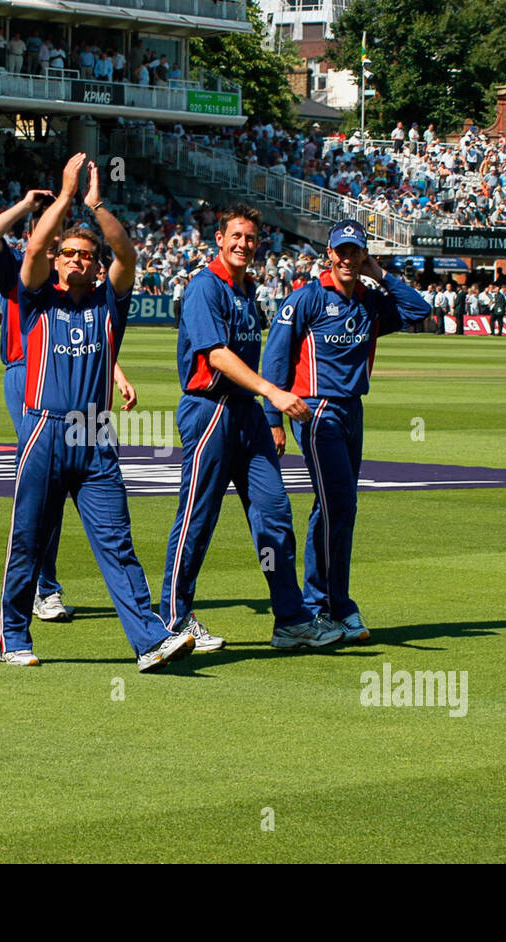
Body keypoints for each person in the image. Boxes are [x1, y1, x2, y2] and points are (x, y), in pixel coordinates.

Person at [0, 153, 194, 671]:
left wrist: (96, 205)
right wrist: (63, 198)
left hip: (95, 434)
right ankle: (13, 636)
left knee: (117, 541)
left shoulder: (110, 302)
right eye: (69, 253)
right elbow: (34, 246)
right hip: (45, 427)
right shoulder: (38, 298)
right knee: (28, 538)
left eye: (86, 255)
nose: (77, 260)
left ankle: (149, 640)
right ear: (57, 262)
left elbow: (128, 255)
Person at [159, 204, 341, 653]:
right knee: (197, 519)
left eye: (251, 238)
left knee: (274, 515)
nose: (244, 244)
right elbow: (216, 355)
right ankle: (172, 619)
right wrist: (272, 394)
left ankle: (290, 619)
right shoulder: (206, 286)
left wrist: (267, 414)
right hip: (210, 410)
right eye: (236, 236)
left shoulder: (247, 289)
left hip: (246, 415)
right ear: (219, 239)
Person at [260, 220, 431, 642]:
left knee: (337, 506)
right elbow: (276, 356)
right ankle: (324, 606)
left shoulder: (370, 303)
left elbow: (418, 310)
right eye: (343, 251)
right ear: (330, 255)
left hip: (352, 410)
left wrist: (381, 273)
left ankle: (332, 604)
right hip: (315, 411)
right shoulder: (308, 298)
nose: (349, 259)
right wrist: (272, 419)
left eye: (357, 252)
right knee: (338, 504)